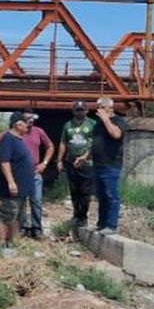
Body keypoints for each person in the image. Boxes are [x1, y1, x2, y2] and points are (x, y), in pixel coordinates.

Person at [0, 113, 37, 246]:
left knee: (17, 217)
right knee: (7, 215)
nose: (29, 125)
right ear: (18, 125)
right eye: (26, 122)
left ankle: (13, 242)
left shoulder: (18, 139)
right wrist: (11, 182)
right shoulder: (8, 139)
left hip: (21, 188)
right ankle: (2, 243)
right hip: (12, 188)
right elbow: (5, 161)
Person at [91, 96, 129, 235]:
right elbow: (95, 143)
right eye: (98, 107)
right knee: (100, 196)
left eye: (101, 107)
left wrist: (106, 119)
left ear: (109, 108)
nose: (98, 110)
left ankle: (112, 226)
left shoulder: (119, 121)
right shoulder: (98, 124)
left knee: (111, 195)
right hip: (97, 165)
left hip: (111, 165)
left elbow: (116, 134)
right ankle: (101, 224)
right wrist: (84, 157)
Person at [57, 100, 95, 226]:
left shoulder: (92, 124)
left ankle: (83, 216)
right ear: (73, 111)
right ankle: (76, 215)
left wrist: (85, 157)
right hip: (71, 161)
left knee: (85, 190)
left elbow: (95, 144)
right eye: (77, 110)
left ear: (87, 111)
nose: (79, 112)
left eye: (82, 110)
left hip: (86, 163)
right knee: (74, 190)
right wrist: (59, 160)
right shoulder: (68, 125)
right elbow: (63, 142)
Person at [18, 112, 54, 239]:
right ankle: (23, 227)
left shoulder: (39, 131)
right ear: (21, 120)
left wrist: (44, 163)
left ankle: (36, 228)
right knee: (21, 201)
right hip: (20, 173)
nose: (31, 121)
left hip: (35, 172)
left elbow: (50, 146)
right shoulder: (15, 132)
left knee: (36, 201)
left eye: (33, 118)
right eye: (28, 119)